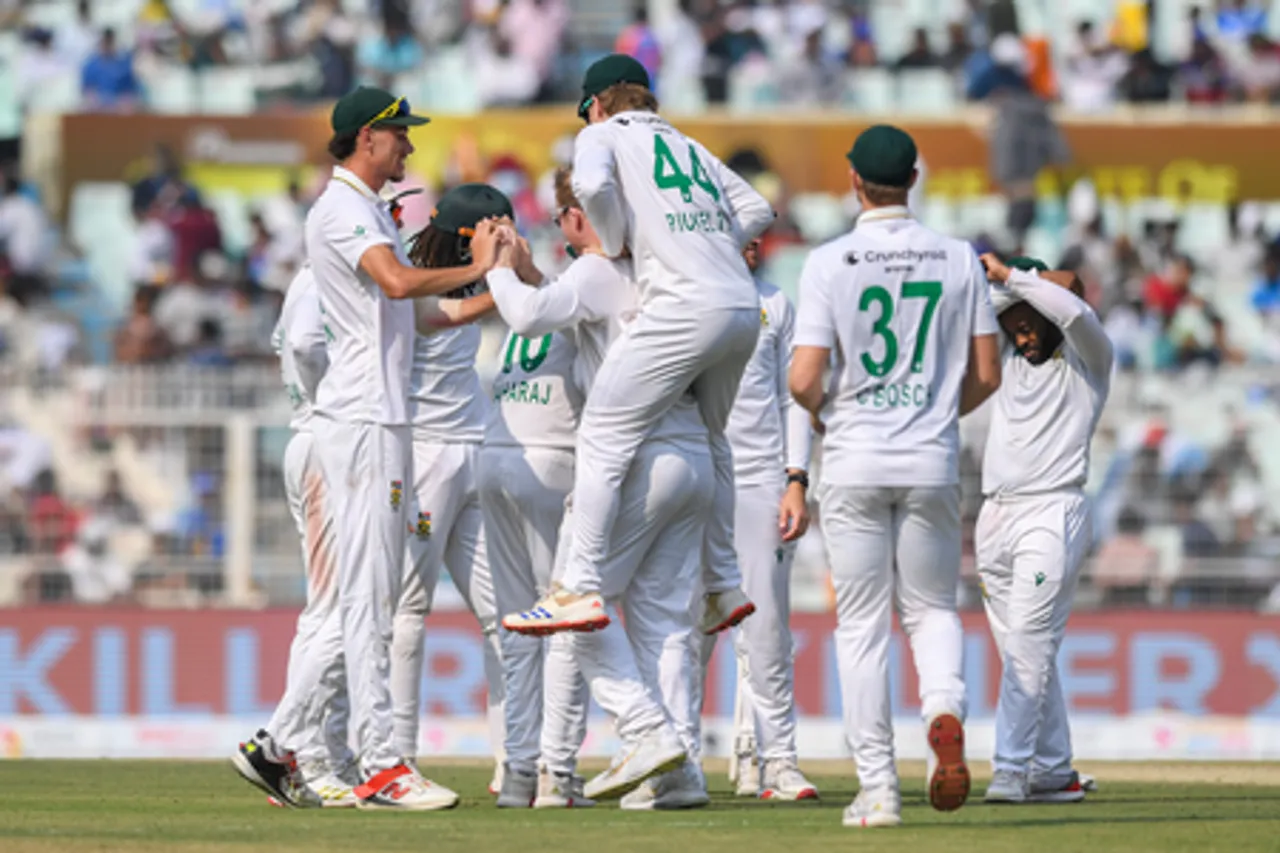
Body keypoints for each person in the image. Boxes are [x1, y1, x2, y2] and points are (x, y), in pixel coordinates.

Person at [235, 86, 497, 812]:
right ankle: (379, 762)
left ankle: (278, 741)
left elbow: (418, 314)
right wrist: (482, 265)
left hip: (374, 419)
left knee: (367, 594)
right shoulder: (343, 208)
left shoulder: (365, 208)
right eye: (400, 136)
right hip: (362, 420)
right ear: (368, 139)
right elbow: (399, 280)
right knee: (369, 595)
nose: (409, 148)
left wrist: (504, 290)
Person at [503, 54, 775, 640]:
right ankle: (723, 582)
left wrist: (627, 238)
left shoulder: (599, 134)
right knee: (714, 435)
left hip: (684, 306)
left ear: (597, 105)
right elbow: (757, 209)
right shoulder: (688, 144)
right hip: (740, 306)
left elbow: (592, 183)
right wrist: (707, 245)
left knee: (603, 431)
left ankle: (577, 587)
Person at [789, 124, 1002, 829]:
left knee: (860, 627)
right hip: (929, 458)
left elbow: (803, 377)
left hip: (853, 455)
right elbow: (987, 374)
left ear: (854, 180)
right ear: (915, 178)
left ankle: (878, 787)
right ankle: (943, 706)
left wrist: (825, 415)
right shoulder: (956, 258)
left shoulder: (828, 260)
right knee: (932, 608)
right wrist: (939, 409)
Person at [487, 170, 711, 807]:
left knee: (574, 608)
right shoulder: (671, 270)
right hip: (693, 454)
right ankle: (680, 773)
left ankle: (613, 745)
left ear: (580, 217)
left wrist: (499, 267)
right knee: (665, 623)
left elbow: (531, 318)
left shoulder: (594, 269)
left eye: (563, 216)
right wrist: (535, 277)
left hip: (634, 457)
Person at [478, 171, 596, 809]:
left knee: (518, 625)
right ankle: (557, 773)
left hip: (495, 455)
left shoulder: (552, 287)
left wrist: (518, 270)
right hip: (551, 461)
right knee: (564, 624)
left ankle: (519, 770)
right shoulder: (595, 282)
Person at [976, 255, 1113, 803]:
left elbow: (1075, 311)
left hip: (1052, 512)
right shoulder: (1008, 359)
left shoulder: (1089, 359)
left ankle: (1011, 769)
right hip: (994, 517)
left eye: (1030, 322)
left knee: (1028, 649)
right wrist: (1007, 295)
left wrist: (1014, 279)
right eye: (1013, 325)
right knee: (1022, 653)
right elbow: (973, 313)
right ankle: (1054, 770)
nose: (1022, 334)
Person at [391, 184, 511, 798]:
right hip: (428, 458)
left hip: (475, 452)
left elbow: (469, 308)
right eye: (497, 231)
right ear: (472, 235)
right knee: (408, 610)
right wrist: (497, 275)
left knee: (505, 618)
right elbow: (445, 313)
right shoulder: (410, 282)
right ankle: (398, 760)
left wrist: (503, 277)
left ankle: (512, 762)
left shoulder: (459, 280)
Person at [233, 265, 356, 809]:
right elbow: (305, 343)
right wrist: (334, 404)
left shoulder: (309, 277)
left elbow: (288, 339)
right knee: (342, 611)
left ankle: (314, 755)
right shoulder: (324, 275)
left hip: (315, 440)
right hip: (326, 443)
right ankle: (287, 747)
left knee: (331, 610)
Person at [703, 237, 817, 802]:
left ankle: (776, 760)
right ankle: (677, 756)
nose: (749, 245)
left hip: (757, 479)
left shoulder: (776, 302)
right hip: (697, 475)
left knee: (766, 628)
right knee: (688, 627)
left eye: (755, 235)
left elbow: (794, 398)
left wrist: (796, 477)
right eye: (736, 232)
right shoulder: (687, 294)